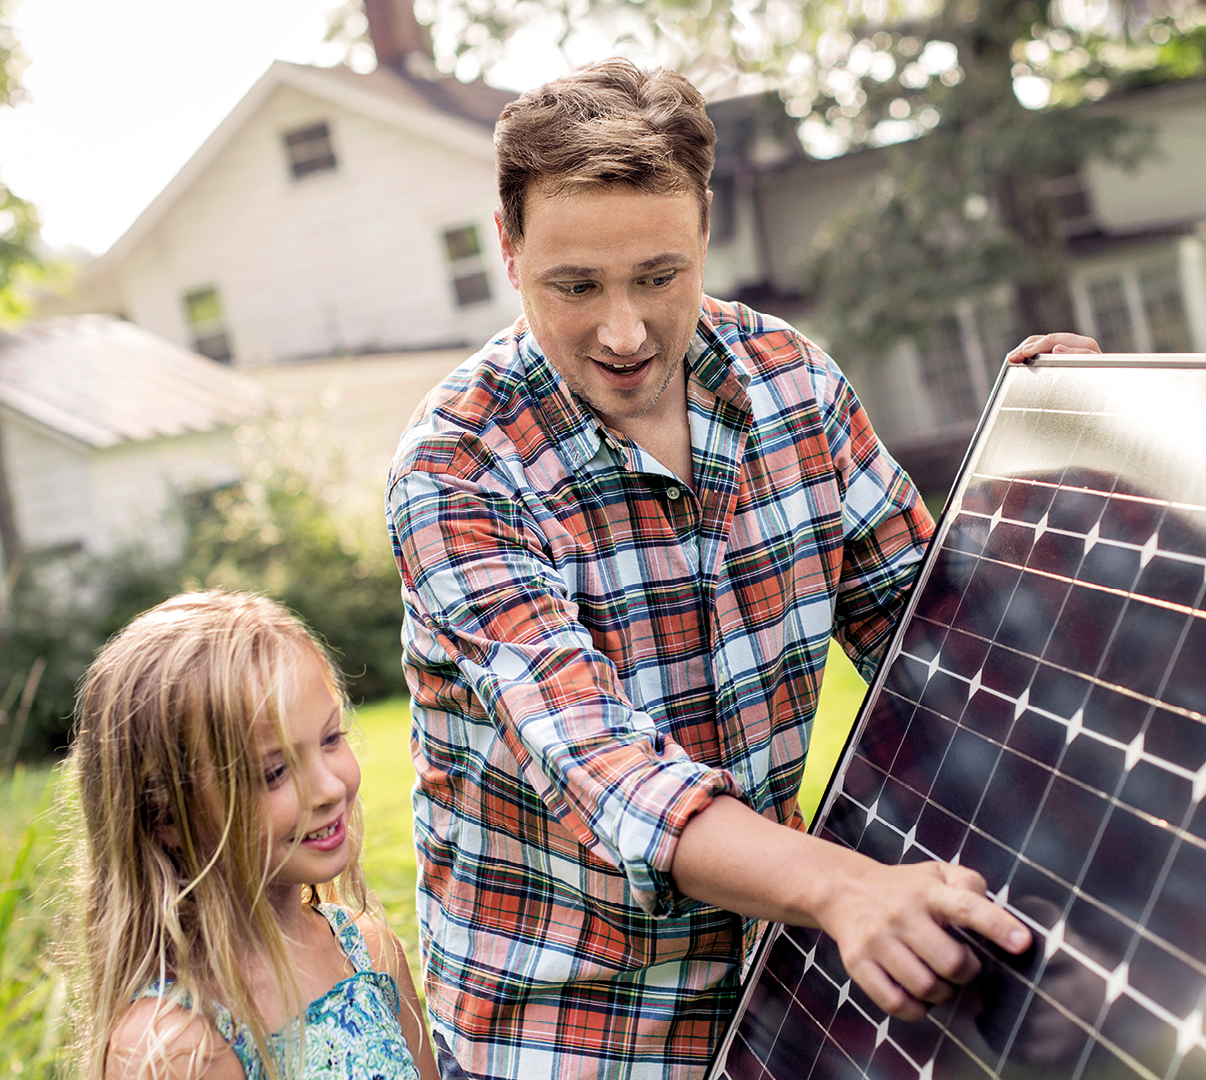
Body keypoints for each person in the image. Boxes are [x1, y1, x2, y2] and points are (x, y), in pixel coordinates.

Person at [387, 59, 1100, 1078]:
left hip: (780, 999)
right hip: (566, 1039)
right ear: (508, 248)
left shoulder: (793, 385)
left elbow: (944, 639)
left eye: (659, 276)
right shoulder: (457, 468)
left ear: (706, 229)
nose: (624, 331)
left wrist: (1031, 459)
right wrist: (841, 886)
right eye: (576, 286)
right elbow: (604, 767)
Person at [67, 589, 441, 1080]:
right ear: (165, 818)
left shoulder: (367, 952)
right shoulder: (174, 1046)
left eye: (331, 739)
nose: (329, 788)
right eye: (273, 773)